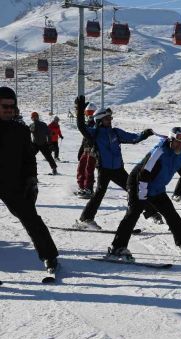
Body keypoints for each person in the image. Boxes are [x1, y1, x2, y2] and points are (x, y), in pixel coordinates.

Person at [109, 127, 181, 261]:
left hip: (157, 188)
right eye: (178, 141)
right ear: (171, 140)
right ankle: (117, 247)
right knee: (133, 214)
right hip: (137, 184)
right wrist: (142, 194)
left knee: (172, 215)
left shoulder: (180, 156)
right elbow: (143, 174)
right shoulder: (159, 152)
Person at [73, 95, 162, 230]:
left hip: (118, 169)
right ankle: (86, 218)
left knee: (135, 190)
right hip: (104, 169)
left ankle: (152, 213)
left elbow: (133, 138)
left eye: (110, 118)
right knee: (99, 194)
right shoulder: (94, 133)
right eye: (107, 118)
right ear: (99, 120)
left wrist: (144, 134)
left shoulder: (115, 133)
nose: (110, 120)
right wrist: (79, 109)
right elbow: (81, 126)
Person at [0, 87, 59, 271]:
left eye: (12, 106)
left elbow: (29, 158)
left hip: (12, 183)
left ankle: (49, 256)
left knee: (31, 218)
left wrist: (32, 180)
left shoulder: (21, 130)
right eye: (4, 106)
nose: (9, 109)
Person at [75, 103, 98, 198]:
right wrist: (81, 148)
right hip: (86, 149)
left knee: (89, 168)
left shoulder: (98, 124)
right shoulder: (87, 123)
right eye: (88, 113)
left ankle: (88, 188)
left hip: (93, 149)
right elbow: (85, 138)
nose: (90, 115)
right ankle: (81, 186)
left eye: (92, 113)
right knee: (81, 167)